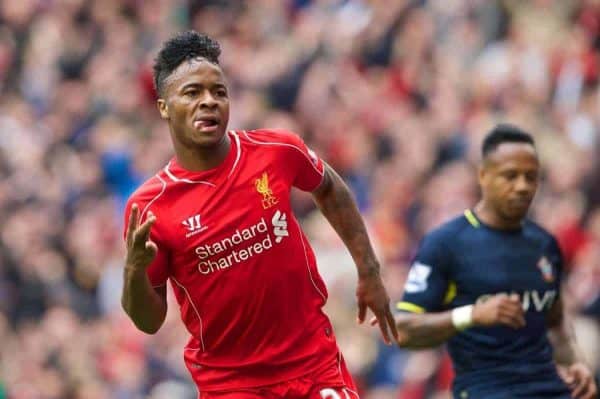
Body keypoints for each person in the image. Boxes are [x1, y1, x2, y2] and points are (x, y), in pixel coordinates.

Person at [121, 31, 398, 399]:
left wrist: (369, 271)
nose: (209, 102)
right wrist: (134, 270)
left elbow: (329, 188)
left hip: (313, 364)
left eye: (218, 91)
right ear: (164, 107)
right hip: (233, 385)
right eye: (192, 93)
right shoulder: (152, 206)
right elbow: (149, 321)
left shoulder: (276, 151)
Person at [390, 124, 598, 399]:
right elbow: (403, 330)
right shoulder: (446, 244)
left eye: (530, 177)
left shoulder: (544, 245)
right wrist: (471, 315)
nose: (522, 186)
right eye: (510, 176)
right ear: (484, 176)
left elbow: (556, 325)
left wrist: (577, 365)